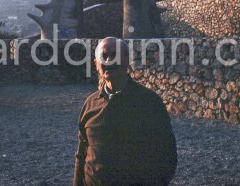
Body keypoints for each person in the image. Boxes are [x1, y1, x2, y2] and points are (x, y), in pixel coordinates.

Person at [73, 37, 177, 185]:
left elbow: (166, 154)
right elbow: (82, 152)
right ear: (96, 65)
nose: (109, 60)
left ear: (127, 61)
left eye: (115, 55)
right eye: (104, 56)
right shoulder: (90, 104)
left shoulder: (149, 102)